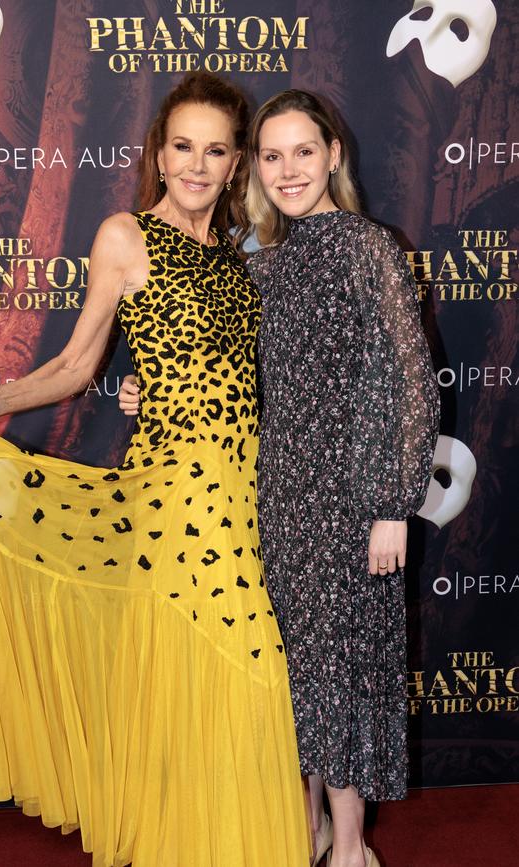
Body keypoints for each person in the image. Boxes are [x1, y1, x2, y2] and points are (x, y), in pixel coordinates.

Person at [0, 73, 311, 867]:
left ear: (238, 161)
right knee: (244, 668)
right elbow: (77, 362)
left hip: (248, 488)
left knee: (219, 673)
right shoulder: (124, 237)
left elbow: (246, 370)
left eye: (216, 150)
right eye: (183, 147)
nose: (197, 166)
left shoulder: (247, 251)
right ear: (159, 152)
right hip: (176, 492)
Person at [120, 89, 440, 867]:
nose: (289, 169)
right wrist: (147, 387)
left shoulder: (371, 247)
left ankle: (352, 849)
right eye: (271, 154)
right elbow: (231, 373)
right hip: (275, 504)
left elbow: (414, 382)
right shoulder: (265, 264)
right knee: (293, 688)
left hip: (355, 507)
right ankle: (300, 837)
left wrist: (393, 505)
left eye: (304, 151)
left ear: (334, 154)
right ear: (253, 169)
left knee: (338, 681)